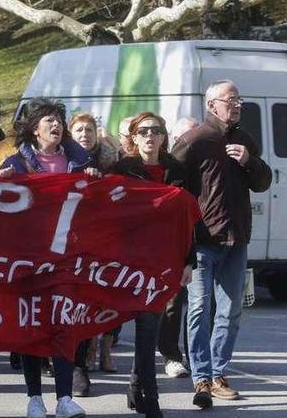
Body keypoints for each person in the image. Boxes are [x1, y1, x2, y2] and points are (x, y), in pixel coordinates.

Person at [172, 80, 272, 408]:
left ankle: (218, 374)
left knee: (230, 311)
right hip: (202, 240)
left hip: (236, 240)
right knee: (200, 308)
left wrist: (249, 161)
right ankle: (201, 376)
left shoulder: (245, 140)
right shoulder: (195, 139)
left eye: (240, 100)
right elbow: (172, 183)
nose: (238, 105)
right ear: (213, 104)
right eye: (232, 100)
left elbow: (263, 183)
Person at [0, 99, 95, 418]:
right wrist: (0, 184)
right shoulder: (17, 163)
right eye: (48, 120)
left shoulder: (80, 164)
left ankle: (65, 397)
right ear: (34, 128)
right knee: (32, 327)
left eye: (58, 120)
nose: (55, 125)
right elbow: (0, 208)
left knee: (64, 325)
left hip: (67, 256)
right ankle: (35, 398)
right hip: (28, 257)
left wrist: (95, 182)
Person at [112, 112, 193, 418]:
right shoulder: (122, 169)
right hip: (130, 260)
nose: (149, 135)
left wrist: (189, 261)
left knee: (149, 327)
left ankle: (143, 389)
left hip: (165, 260)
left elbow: (188, 221)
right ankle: (144, 391)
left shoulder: (177, 170)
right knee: (139, 325)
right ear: (133, 137)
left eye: (155, 130)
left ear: (163, 137)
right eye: (143, 131)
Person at [67, 113, 120, 388]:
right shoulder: (65, 161)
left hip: (101, 241)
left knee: (100, 298)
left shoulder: (108, 161)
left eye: (89, 129)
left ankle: (99, 351)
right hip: (69, 242)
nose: (85, 134)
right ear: (70, 134)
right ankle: (73, 357)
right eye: (79, 130)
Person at [159, 116, 199, 380]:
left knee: (199, 305)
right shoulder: (169, 169)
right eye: (187, 139)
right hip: (172, 243)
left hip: (205, 240)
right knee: (173, 303)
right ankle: (171, 355)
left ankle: (198, 355)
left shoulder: (206, 166)